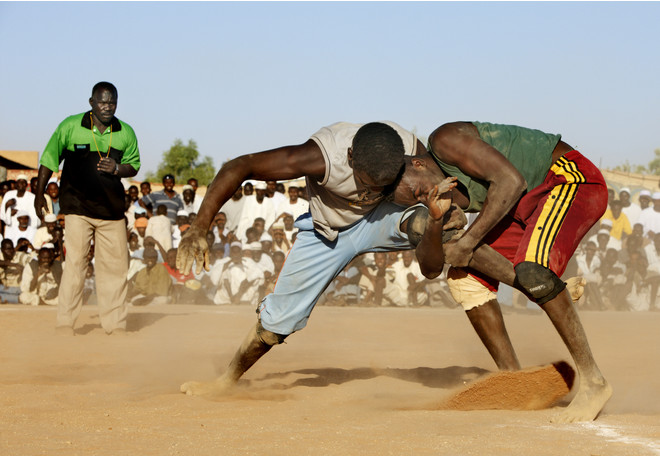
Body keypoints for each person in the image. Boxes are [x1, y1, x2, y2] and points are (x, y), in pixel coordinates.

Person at [418, 120, 611, 422]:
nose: (417, 194)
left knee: (532, 270)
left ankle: (594, 381)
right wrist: (441, 229)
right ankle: (515, 381)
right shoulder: (435, 190)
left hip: (568, 179)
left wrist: (467, 241)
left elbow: (511, 182)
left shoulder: (443, 140)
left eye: (413, 188)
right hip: (524, 208)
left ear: (416, 162)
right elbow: (436, 264)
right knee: (464, 278)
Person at [34, 81, 140, 335]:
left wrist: (117, 168)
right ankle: (65, 322)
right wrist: (38, 194)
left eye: (112, 102)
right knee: (76, 264)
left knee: (115, 267)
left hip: (112, 211)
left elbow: (133, 165)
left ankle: (115, 324)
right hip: (77, 207)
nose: (107, 107)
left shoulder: (125, 131)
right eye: (102, 102)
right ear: (91, 102)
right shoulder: (70, 126)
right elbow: (49, 158)